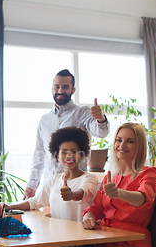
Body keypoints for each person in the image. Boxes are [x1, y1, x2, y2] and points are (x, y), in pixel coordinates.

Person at [81, 122, 156, 247]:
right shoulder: (110, 176)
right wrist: (88, 217)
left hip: (130, 245)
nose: (122, 145)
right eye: (119, 140)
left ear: (140, 146)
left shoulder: (149, 173)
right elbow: (96, 208)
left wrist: (119, 193)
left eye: (130, 141)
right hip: (105, 240)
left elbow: (144, 199)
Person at [23, 69, 110, 199]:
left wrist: (100, 119)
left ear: (73, 90)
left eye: (65, 87)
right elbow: (39, 155)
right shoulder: (44, 120)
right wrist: (32, 185)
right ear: (52, 88)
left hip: (75, 187)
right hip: (49, 189)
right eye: (57, 87)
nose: (60, 91)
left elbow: (101, 132)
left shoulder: (82, 112)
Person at [0, 127, 98, 222]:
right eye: (64, 152)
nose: (69, 156)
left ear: (81, 155)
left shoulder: (90, 178)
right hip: (55, 236)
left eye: (74, 151)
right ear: (57, 156)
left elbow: (83, 193)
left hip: (80, 238)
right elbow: (34, 202)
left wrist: (72, 195)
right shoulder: (54, 180)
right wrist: (10, 207)